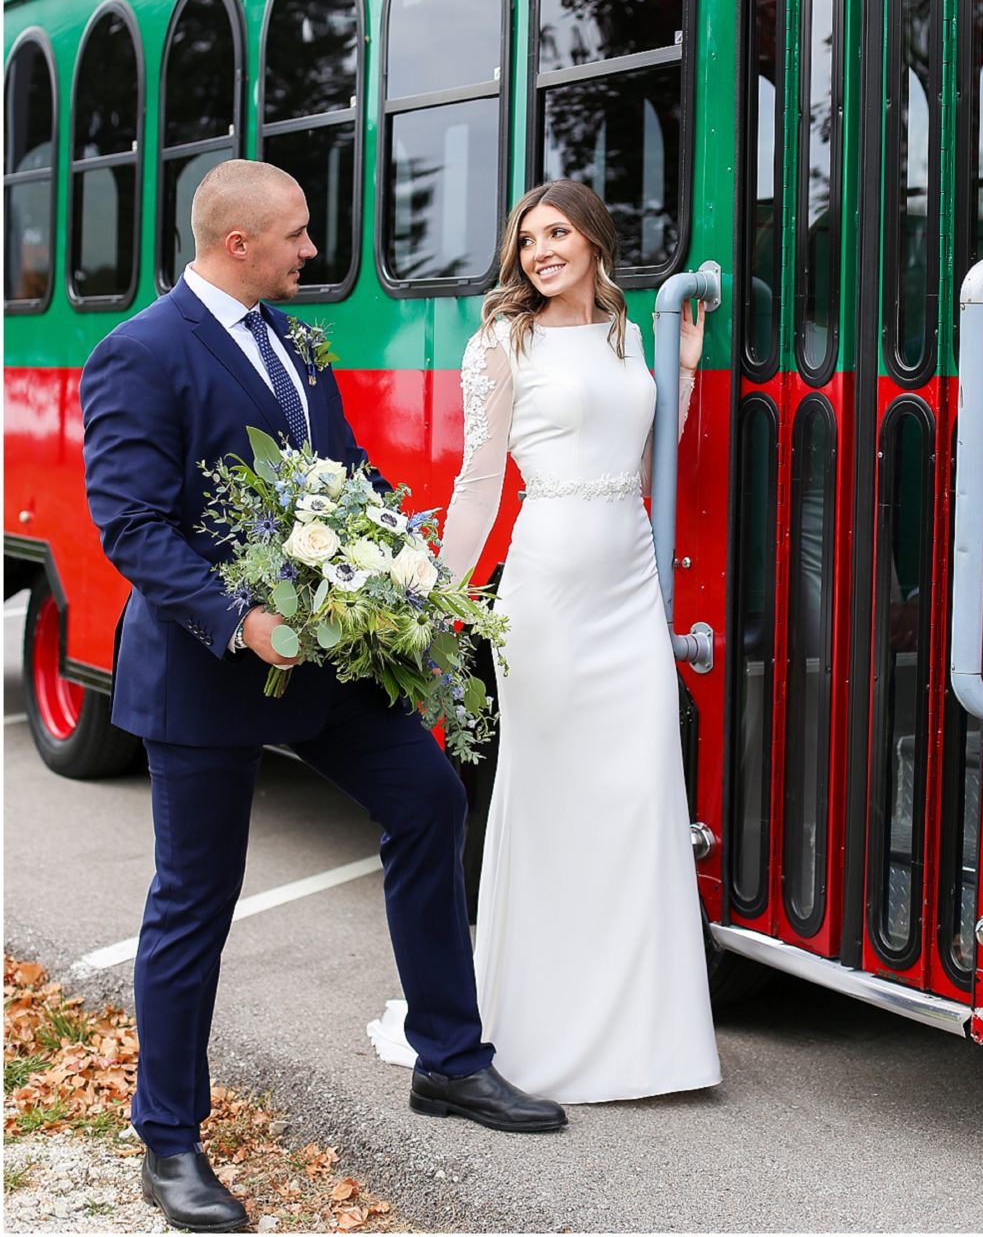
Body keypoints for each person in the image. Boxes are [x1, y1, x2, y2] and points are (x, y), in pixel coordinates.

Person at [80, 160, 565, 1236]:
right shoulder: (140, 351)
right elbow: (132, 525)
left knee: (431, 799)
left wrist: (404, 564)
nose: (312, 251)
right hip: (208, 675)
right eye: (297, 235)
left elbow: (339, 472)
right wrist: (238, 620)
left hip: (334, 664)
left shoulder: (296, 342)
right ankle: (167, 1141)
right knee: (192, 906)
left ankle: (449, 1058)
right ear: (239, 241)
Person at [438, 180, 721, 1103]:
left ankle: (648, 1042)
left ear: (596, 238)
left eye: (556, 233)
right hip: (547, 587)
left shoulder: (628, 336)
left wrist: (684, 362)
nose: (540, 252)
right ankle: (533, 1032)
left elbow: (649, 459)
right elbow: (480, 483)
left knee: (637, 796)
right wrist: (439, 599)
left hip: (628, 581)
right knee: (551, 801)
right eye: (527, 241)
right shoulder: (500, 342)